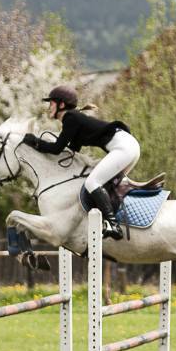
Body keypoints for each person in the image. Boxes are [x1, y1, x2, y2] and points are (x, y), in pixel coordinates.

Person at [21, 85, 138, 240]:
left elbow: (56, 149)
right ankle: (114, 220)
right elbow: (71, 148)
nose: (49, 107)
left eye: (52, 103)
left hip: (123, 147)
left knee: (93, 183)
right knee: (105, 185)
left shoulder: (71, 118)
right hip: (127, 146)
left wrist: (35, 142)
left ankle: (114, 225)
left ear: (61, 105)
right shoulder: (74, 119)